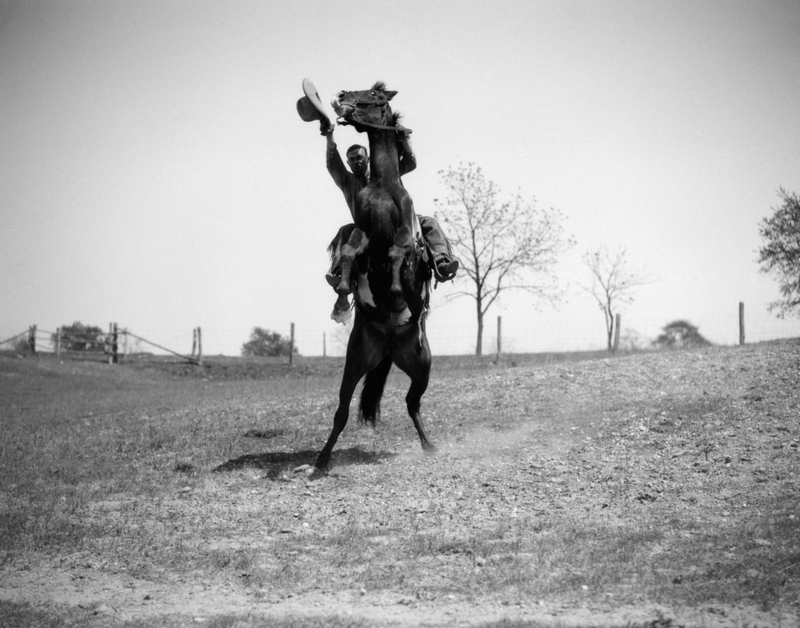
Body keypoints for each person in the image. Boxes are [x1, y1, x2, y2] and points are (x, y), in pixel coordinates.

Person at [322, 123, 459, 287]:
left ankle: (440, 262)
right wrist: (329, 136)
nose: (356, 162)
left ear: (368, 159)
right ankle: (340, 273)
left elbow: (410, 163)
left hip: (399, 223)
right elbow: (333, 165)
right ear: (348, 163)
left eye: (359, 158)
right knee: (344, 231)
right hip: (365, 231)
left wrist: (404, 139)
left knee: (430, 222)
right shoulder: (348, 182)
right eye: (352, 160)